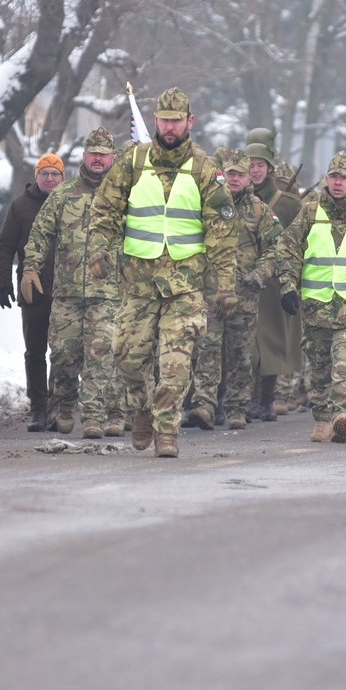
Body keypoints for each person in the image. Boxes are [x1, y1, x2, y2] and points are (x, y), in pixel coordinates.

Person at [89, 88, 236, 457]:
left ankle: (166, 430)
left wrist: (226, 285)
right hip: (138, 283)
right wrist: (101, 248)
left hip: (185, 287)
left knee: (176, 364)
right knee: (126, 355)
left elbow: (221, 230)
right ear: (155, 121)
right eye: (164, 120)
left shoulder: (205, 170)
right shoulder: (132, 163)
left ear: (190, 122)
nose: (169, 127)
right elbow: (105, 208)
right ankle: (140, 408)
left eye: (176, 120)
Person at [263, 152, 346, 443]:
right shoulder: (309, 213)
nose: (337, 183)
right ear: (327, 179)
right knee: (319, 369)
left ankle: (342, 415)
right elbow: (287, 250)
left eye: (344, 178)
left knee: (345, 364)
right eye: (333, 177)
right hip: (315, 307)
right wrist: (288, 287)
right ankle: (323, 420)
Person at [20, 129, 123, 439]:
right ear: (84, 157)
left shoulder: (122, 197)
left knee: (100, 355)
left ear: (112, 159)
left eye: (103, 155)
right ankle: (64, 407)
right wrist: (30, 268)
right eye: (92, 153)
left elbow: (141, 236)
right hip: (66, 293)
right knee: (63, 354)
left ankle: (94, 416)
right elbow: (41, 232)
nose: (97, 159)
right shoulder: (63, 196)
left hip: (106, 294)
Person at [186, 148, 282, 430]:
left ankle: (237, 407)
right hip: (211, 291)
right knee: (208, 349)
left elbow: (276, 247)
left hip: (244, 294)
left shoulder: (259, 210)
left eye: (240, 174)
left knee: (241, 354)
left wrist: (261, 273)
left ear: (247, 178)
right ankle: (204, 404)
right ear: (222, 174)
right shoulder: (209, 205)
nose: (235, 179)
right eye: (230, 174)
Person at [0, 153, 63, 431]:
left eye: (55, 174)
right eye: (44, 173)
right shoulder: (20, 206)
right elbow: (4, 246)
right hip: (32, 290)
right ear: (37, 177)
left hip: (67, 291)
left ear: (62, 178)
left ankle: (61, 408)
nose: (49, 178)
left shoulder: (70, 205)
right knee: (35, 352)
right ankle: (38, 408)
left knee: (64, 353)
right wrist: (3, 284)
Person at [245, 128, 302, 420]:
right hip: (242, 279)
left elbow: (299, 241)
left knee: (269, 341)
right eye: (250, 165)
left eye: (259, 165)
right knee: (242, 342)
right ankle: (243, 398)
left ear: (269, 168)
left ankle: (265, 400)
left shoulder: (288, 203)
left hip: (273, 280)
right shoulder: (234, 199)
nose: (254, 171)